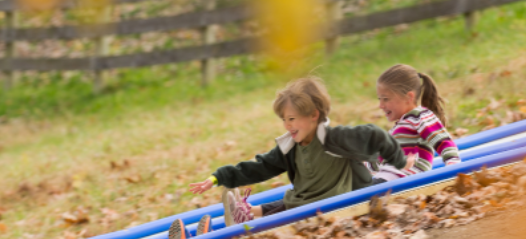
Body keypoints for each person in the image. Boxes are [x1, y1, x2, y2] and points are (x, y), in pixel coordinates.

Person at [169, 76, 412, 239]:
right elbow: (260, 167)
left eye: (292, 119)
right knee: (287, 205)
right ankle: (216, 227)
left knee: (270, 222)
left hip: (331, 205)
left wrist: (399, 162)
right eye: (284, 119)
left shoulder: (334, 138)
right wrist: (218, 177)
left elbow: (375, 135)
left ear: (314, 115)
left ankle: (221, 231)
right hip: (303, 204)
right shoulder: (290, 147)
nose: (287, 125)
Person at [372, 64, 462, 184]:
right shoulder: (397, 130)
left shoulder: (420, 116)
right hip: (386, 178)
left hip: (404, 178)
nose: (381, 106)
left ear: (408, 97)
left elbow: (444, 142)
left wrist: (453, 166)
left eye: (386, 99)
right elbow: (379, 161)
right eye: (380, 100)